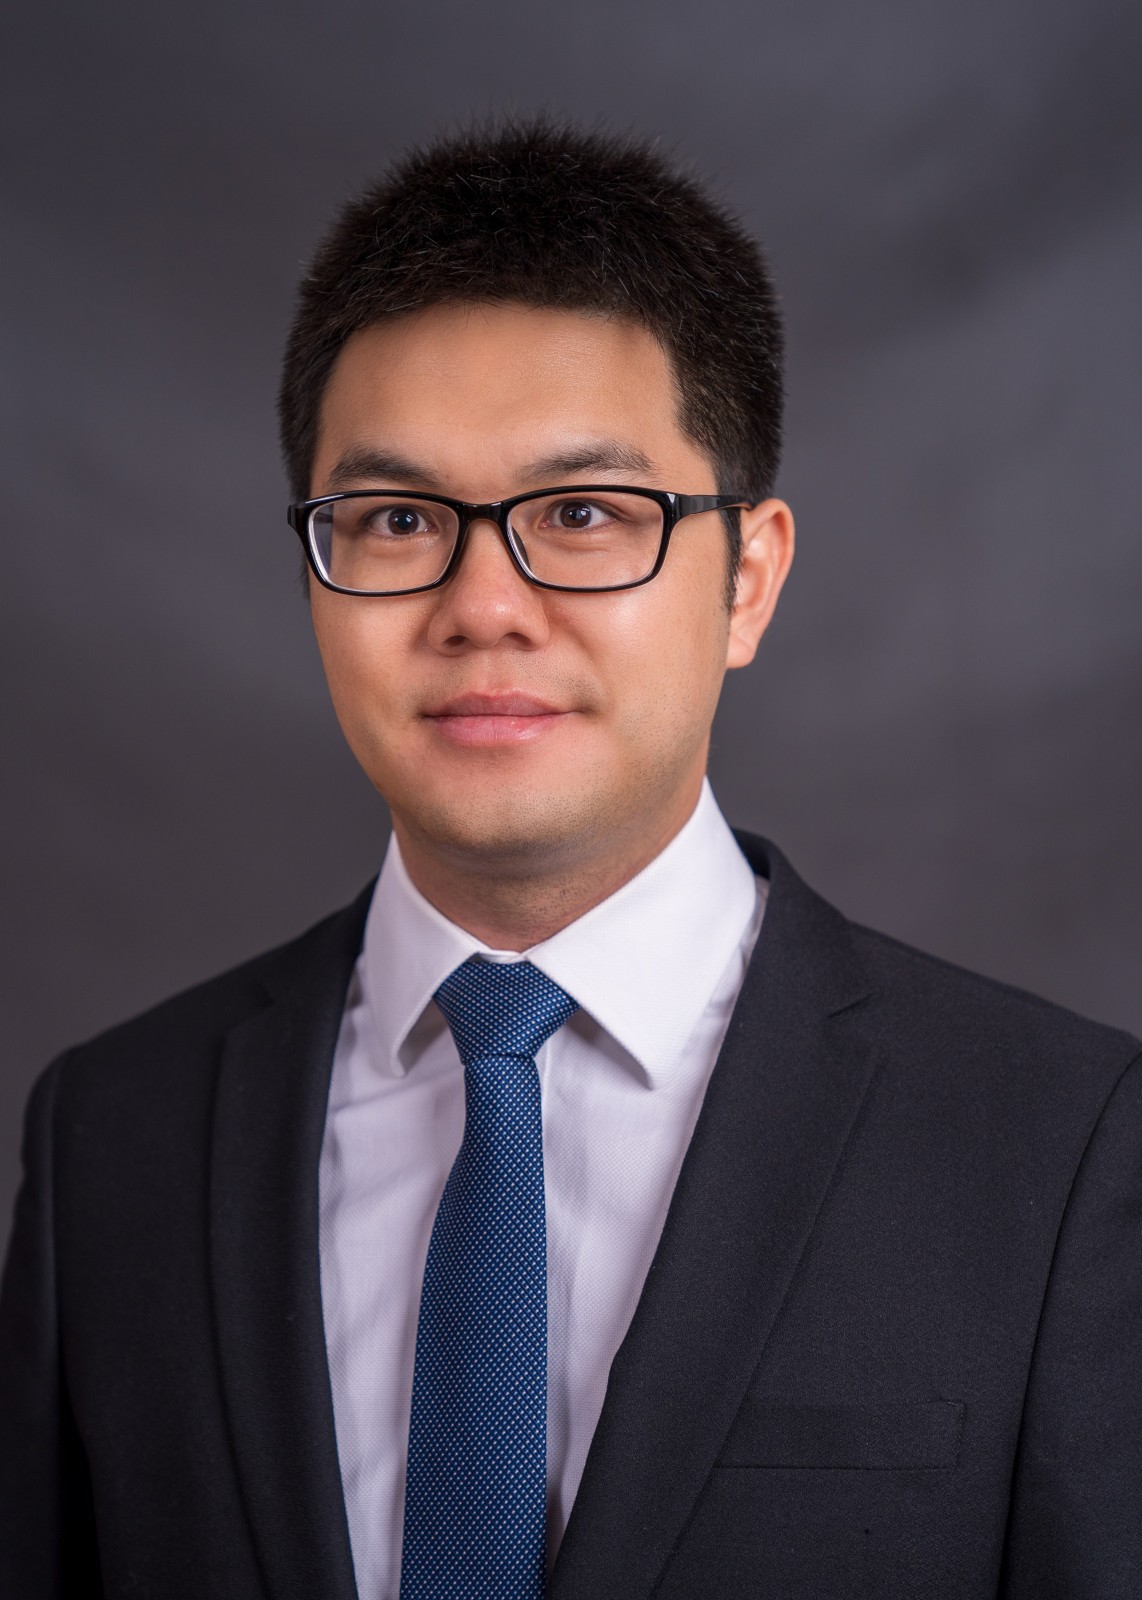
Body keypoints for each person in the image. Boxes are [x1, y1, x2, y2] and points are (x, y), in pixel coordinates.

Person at [0, 119, 1139, 1600]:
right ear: (313, 574)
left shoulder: (1059, 1147)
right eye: (396, 519)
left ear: (747, 579)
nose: (483, 605)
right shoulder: (115, 1135)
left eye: (585, 514)